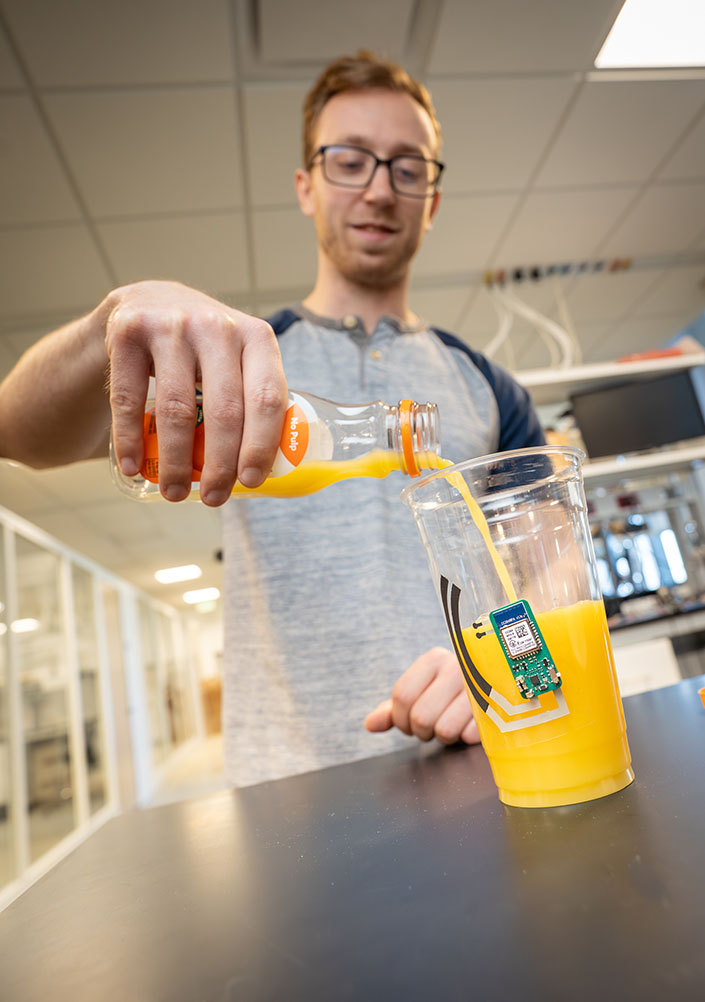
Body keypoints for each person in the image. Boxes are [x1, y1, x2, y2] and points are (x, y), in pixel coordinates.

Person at [0, 50, 543, 787]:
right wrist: (112, 319)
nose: (380, 190)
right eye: (349, 160)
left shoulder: (488, 388)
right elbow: (16, 431)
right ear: (305, 186)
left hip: (483, 767)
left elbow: (552, 572)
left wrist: (505, 668)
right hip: (284, 798)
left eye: (407, 167)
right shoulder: (232, 365)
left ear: (433, 198)